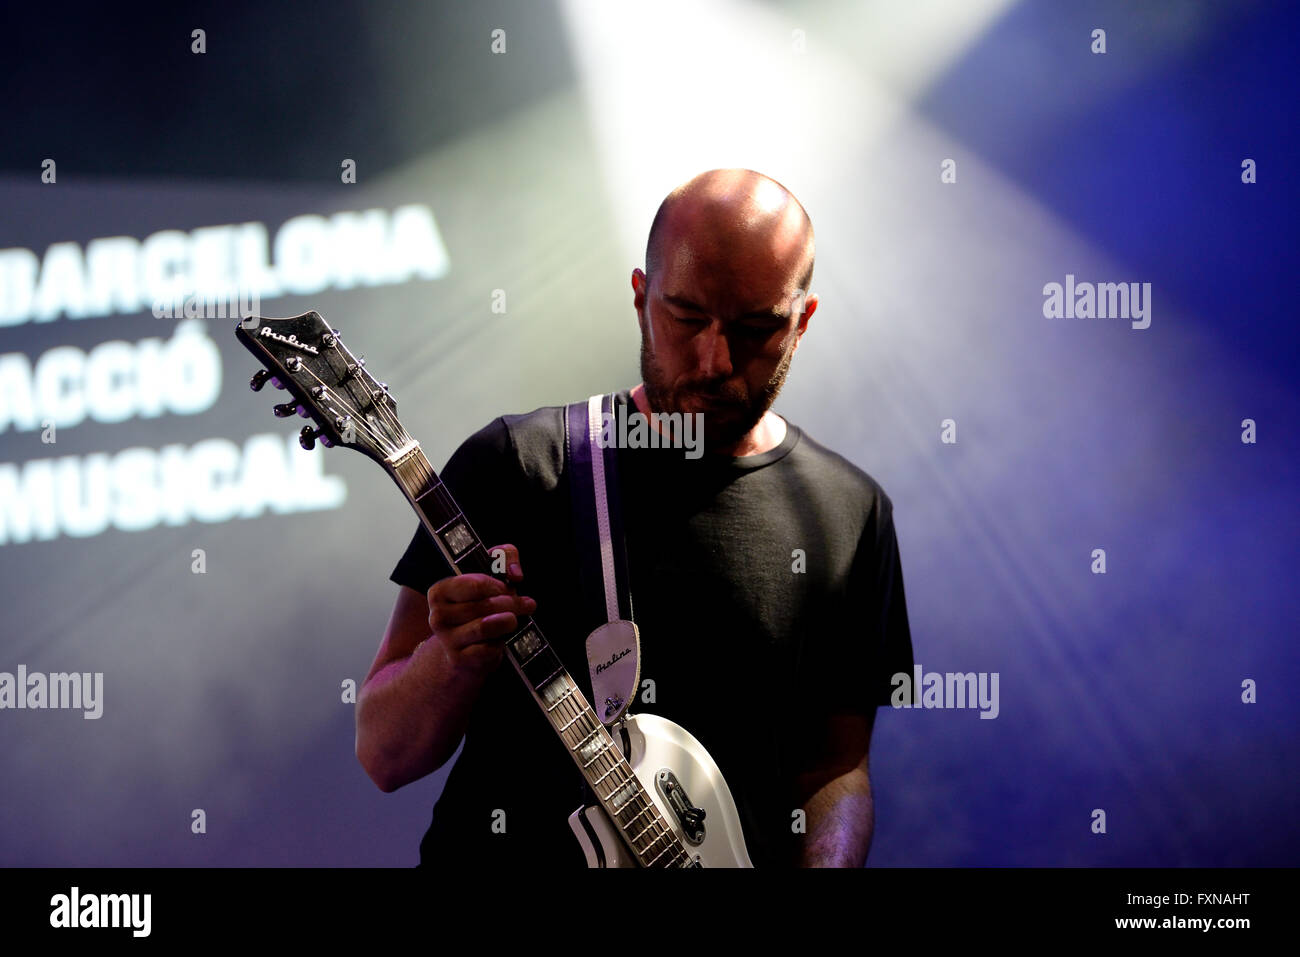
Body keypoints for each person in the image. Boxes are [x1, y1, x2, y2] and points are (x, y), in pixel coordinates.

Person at [355, 168, 914, 868]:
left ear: (801, 320)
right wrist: (451, 659)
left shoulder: (849, 512)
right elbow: (383, 751)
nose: (715, 360)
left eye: (754, 328)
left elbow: (834, 767)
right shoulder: (519, 464)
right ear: (640, 297)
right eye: (687, 317)